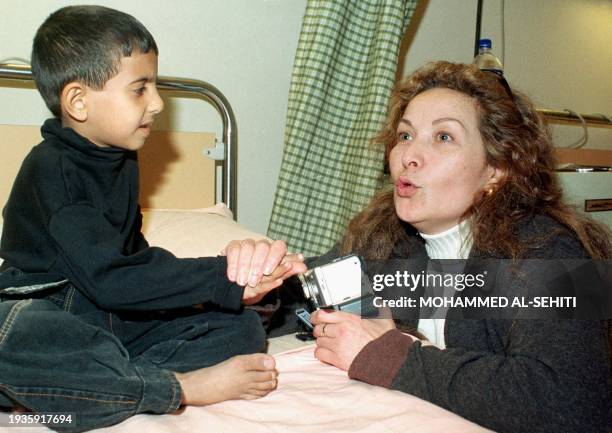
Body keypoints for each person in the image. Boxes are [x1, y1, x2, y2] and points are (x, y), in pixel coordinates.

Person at [0, 6, 305, 432]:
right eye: (140, 89)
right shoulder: (53, 169)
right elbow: (110, 276)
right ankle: (176, 387)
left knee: (242, 330)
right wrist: (220, 278)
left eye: (155, 86)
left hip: (106, 317)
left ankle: (88, 390)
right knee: (15, 331)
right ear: (78, 101)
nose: (159, 103)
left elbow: (134, 258)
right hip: (50, 308)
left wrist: (214, 293)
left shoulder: (121, 158)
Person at [307, 61, 611, 432]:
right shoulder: (392, 234)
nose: (408, 157)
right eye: (404, 136)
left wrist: (387, 354)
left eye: (443, 137)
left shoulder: (552, 249)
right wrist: (254, 279)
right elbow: (308, 289)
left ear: (495, 170)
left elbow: (571, 404)